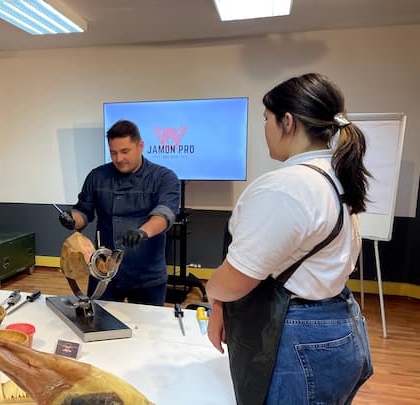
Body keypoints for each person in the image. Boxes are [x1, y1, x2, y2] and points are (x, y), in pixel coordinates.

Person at [206, 73, 374, 404]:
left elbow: (235, 280)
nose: (265, 129)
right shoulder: (334, 176)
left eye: (266, 119)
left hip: (299, 338)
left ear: (287, 121)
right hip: (341, 324)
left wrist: (213, 293)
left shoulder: (287, 186)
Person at [59, 120, 180, 306]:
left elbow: (165, 214)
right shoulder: (97, 176)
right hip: (104, 270)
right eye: (113, 152)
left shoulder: (164, 177)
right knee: (98, 319)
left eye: (125, 151)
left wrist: (143, 232)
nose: (119, 158)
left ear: (140, 146)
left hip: (147, 275)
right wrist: (72, 219)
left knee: (146, 323)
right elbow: (83, 212)